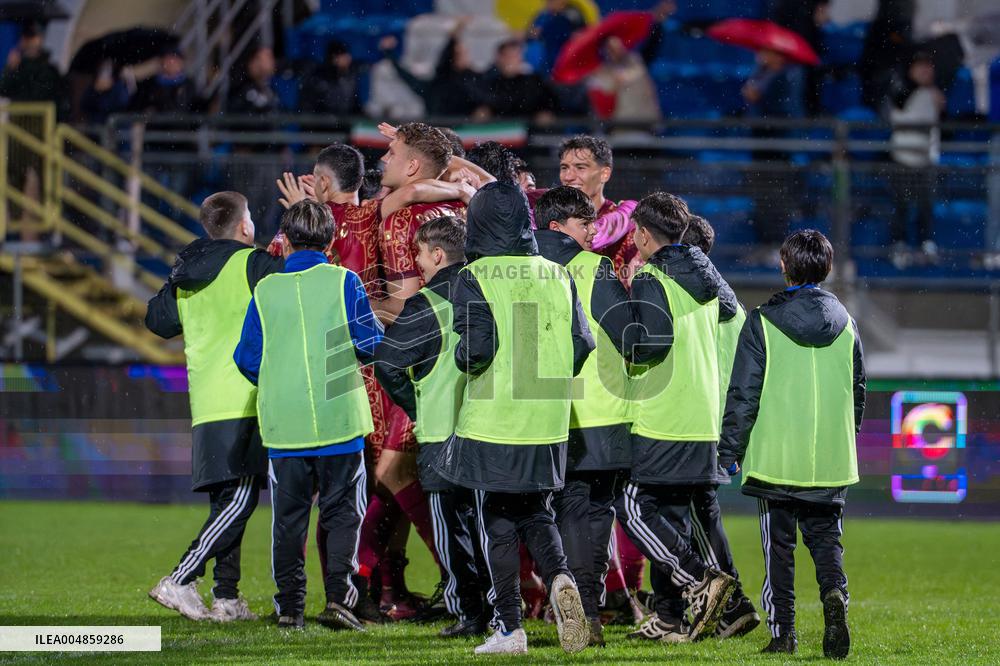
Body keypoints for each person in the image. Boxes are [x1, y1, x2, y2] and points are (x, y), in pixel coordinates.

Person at [434, 181, 594, 655]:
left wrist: (461, 356)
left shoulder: (474, 275)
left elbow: (476, 351)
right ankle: (561, 577)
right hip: (547, 421)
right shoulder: (556, 272)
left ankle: (509, 627)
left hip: (494, 419)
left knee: (497, 521)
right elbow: (582, 344)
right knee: (535, 512)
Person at [233, 200, 383, 630]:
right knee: (342, 516)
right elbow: (369, 343)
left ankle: (290, 609)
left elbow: (247, 358)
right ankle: (339, 600)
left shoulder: (265, 291)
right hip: (340, 420)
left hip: (286, 425)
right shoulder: (344, 281)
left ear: (285, 239)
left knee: (288, 522)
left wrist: (283, 377)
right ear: (332, 238)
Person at [718, 229, 865, 659]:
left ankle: (784, 634)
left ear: (784, 266)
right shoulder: (848, 323)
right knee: (826, 540)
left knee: (777, 549)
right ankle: (834, 594)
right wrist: (846, 436)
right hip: (831, 459)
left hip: (777, 457)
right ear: (827, 268)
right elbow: (858, 388)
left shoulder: (762, 321)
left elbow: (743, 393)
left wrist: (730, 452)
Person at [145, 191, 283, 622]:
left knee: (226, 503)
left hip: (206, 401)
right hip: (244, 396)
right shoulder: (253, 263)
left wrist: (174, 279)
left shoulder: (187, 271)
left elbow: (158, 321)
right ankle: (181, 579)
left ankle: (226, 597)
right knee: (240, 499)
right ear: (245, 226)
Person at [617, 192, 737, 642]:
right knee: (674, 514)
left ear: (644, 236)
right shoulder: (708, 278)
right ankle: (671, 618)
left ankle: (700, 581)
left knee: (630, 503)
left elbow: (650, 343)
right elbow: (727, 318)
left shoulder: (651, 276)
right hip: (701, 414)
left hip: (663, 412)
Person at [374, 216, 487, 638]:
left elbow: (387, 364)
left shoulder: (428, 302)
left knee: (451, 531)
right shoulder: (488, 293)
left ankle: (470, 614)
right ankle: (503, 610)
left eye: (419, 254)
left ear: (437, 254)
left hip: (441, 433)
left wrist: (414, 402)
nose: (417, 262)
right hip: (489, 430)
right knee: (489, 526)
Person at [533, 186, 636, 646]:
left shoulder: (524, 271)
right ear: (557, 226)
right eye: (583, 222)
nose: (593, 230)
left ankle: (558, 607)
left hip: (543, 412)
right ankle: (589, 612)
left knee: (556, 514)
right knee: (594, 516)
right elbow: (632, 334)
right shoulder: (595, 268)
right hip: (601, 411)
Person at [675, 214, 762, 639]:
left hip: (700, 421)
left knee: (697, 516)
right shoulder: (725, 300)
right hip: (715, 422)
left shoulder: (698, 301)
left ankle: (732, 604)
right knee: (698, 516)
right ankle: (718, 606)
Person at [742, 48, 806, 261]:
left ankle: (777, 246)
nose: (762, 55)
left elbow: (785, 109)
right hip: (760, 148)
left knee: (776, 199)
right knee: (763, 198)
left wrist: (760, 98)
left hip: (778, 148)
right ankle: (765, 243)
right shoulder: (761, 73)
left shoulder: (790, 75)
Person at [887, 51, 944, 268]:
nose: (925, 70)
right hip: (903, 156)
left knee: (925, 206)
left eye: (929, 66)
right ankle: (899, 244)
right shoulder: (901, 89)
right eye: (920, 66)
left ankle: (925, 244)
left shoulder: (935, 94)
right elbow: (899, 114)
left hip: (926, 159)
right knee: (901, 205)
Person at [480, 39, 557, 122]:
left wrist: (545, 111)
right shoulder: (489, 80)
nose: (516, 60)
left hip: (529, 128)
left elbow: (549, 101)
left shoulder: (533, 81)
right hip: (499, 128)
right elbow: (486, 102)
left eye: (517, 56)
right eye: (511, 56)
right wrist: (483, 110)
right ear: (500, 58)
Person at [0, 21, 60, 103]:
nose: (28, 40)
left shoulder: (48, 69)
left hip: (43, 114)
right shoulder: (17, 66)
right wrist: (10, 68)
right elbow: (3, 90)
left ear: (40, 38)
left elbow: (44, 95)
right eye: (25, 35)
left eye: (32, 35)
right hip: (18, 114)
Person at [300, 40, 362, 116]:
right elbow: (310, 108)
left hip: (343, 124)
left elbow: (354, 105)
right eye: (344, 55)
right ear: (334, 58)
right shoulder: (318, 78)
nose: (349, 58)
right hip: (320, 125)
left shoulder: (350, 77)